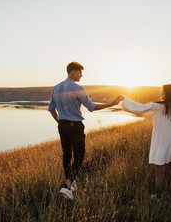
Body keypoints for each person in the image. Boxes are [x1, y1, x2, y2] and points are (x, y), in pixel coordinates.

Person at [48, 62, 120, 200]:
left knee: (67, 155)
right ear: (73, 72)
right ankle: (68, 187)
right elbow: (91, 107)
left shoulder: (56, 88)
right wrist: (111, 104)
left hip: (62, 126)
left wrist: (59, 121)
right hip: (75, 126)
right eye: (80, 72)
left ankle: (69, 183)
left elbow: (51, 108)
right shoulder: (77, 88)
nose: (82, 75)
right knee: (80, 156)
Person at [118, 84, 171, 201]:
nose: (160, 93)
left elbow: (139, 108)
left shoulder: (157, 106)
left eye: (162, 91)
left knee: (159, 171)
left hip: (162, 141)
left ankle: (159, 197)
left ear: (166, 93)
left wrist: (124, 99)